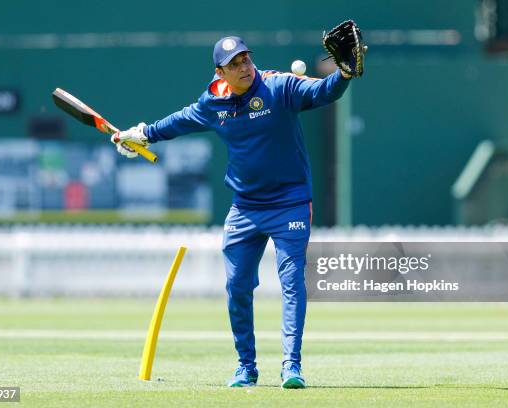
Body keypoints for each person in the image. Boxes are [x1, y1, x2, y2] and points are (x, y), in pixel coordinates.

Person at [112, 35, 354, 389]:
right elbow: (180, 121)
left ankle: (292, 365)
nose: (244, 67)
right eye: (235, 64)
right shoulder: (214, 101)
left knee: (292, 283)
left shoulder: (280, 86)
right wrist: (142, 135)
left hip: (290, 202)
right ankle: (246, 367)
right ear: (220, 71)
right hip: (245, 208)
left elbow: (323, 92)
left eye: (246, 60)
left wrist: (344, 74)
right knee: (237, 287)